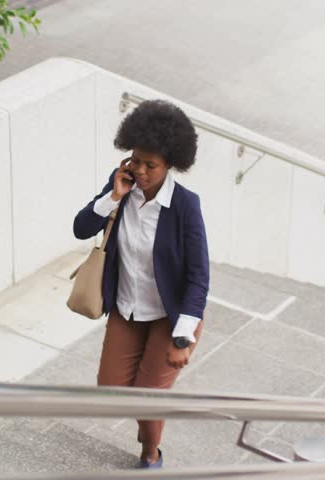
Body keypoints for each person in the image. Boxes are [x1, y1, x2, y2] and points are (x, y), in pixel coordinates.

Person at [72, 99, 209, 469]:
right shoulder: (121, 185)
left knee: (149, 397)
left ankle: (150, 453)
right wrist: (113, 196)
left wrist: (185, 337)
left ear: (170, 165)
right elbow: (81, 228)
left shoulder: (185, 206)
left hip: (170, 315)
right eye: (136, 161)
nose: (142, 171)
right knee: (113, 389)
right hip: (127, 308)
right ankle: (149, 419)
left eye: (152, 165)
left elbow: (199, 275)